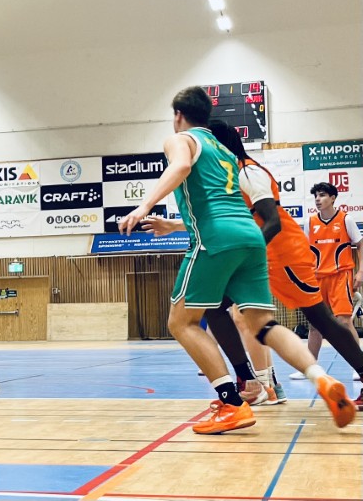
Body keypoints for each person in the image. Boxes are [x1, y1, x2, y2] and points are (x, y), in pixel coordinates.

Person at [119, 86, 355, 434]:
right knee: (263, 324)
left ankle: (232, 403)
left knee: (181, 322)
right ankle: (322, 379)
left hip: (217, 240)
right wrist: (175, 224)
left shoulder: (182, 139)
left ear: (178, 115)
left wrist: (144, 206)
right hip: (251, 239)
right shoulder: (226, 152)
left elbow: (181, 166)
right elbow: (226, 203)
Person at [289, 182, 363, 386]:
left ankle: (358, 366)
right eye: (316, 196)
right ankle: (310, 367)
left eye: (322, 195)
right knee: (315, 324)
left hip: (341, 276)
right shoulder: (310, 221)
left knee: (344, 321)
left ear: (333, 198)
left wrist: (360, 272)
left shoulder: (346, 219)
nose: (318, 199)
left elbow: (360, 245)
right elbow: (304, 251)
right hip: (316, 277)